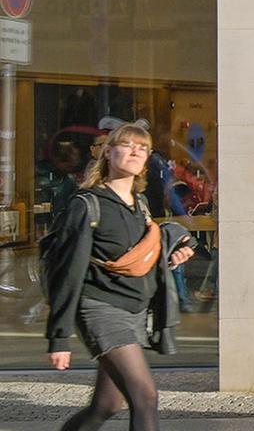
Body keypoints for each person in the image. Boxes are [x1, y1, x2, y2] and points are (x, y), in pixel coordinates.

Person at [44, 122, 196, 431]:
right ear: (108, 153)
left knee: (107, 405)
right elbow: (68, 272)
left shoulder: (140, 205)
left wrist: (173, 253)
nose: (135, 152)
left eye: (142, 148)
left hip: (134, 312)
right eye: (127, 145)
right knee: (145, 397)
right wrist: (59, 337)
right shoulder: (87, 205)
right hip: (101, 310)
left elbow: (138, 256)